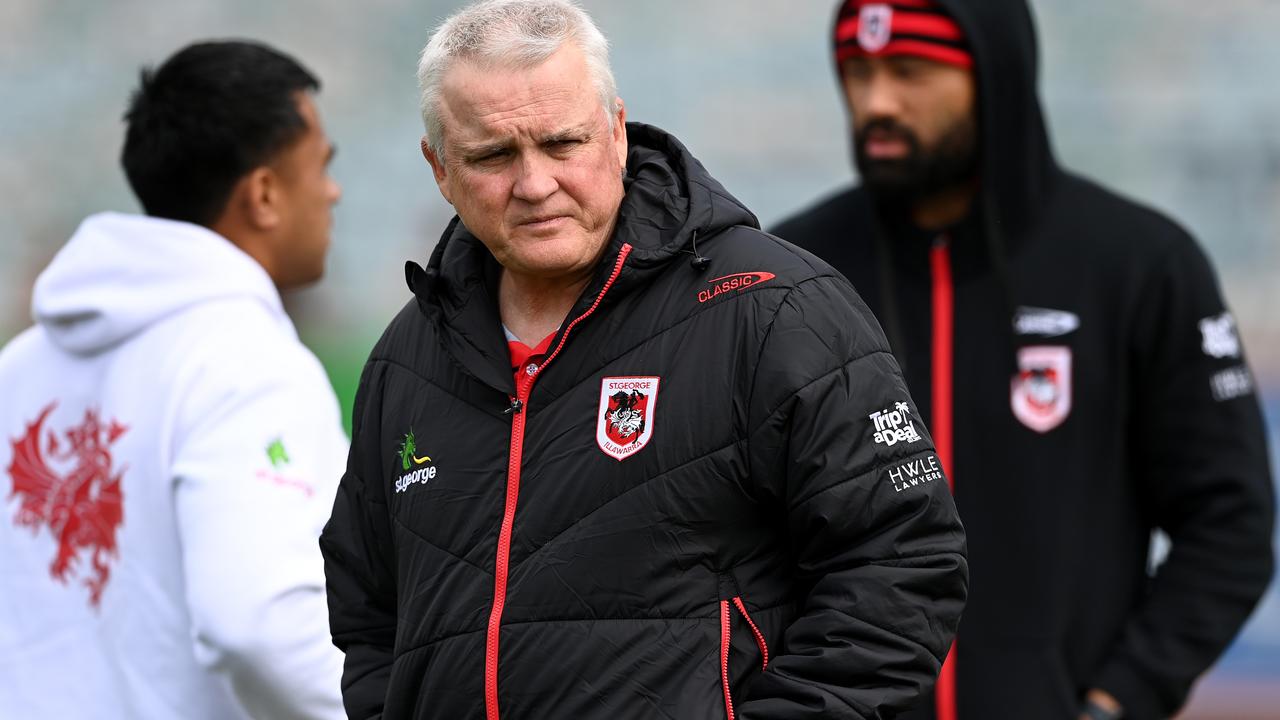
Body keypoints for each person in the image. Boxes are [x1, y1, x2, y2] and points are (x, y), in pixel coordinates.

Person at [320, 1, 968, 718]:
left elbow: (904, 562)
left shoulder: (771, 308)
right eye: (493, 156)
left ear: (617, 132)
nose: (535, 185)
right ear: (439, 167)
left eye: (562, 143)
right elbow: (369, 615)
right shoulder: (405, 360)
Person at [771, 1, 1277, 719]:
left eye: (909, 71)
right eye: (858, 72)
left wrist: (1120, 698)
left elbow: (1231, 522)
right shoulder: (797, 274)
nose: (876, 101)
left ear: (995, 76)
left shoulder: (1140, 265)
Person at [0, 40, 347, 719]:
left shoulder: (19, 366)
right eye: (322, 167)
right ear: (265, 194)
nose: (333, 191)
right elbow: (259, 626)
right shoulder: (245, 361)